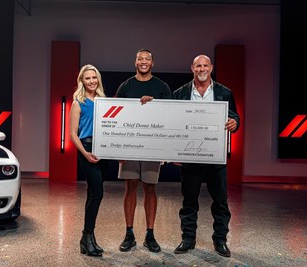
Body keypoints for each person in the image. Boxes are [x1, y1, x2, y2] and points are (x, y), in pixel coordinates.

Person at [172, 55, 240, 257]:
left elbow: (235, 115)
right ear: (192, 68)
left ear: (211, 68)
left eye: (205, 66)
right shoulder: (180, 93)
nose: (202, 69)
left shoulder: (224, 92)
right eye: (198, 66)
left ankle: (220, 241)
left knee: (220, 202)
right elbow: (173, 121)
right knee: (189, 202)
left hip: (215, 156)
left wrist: (234, 123)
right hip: (190, 156)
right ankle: (188, 239)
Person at [116, 49, 172, 253]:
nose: (143, 62)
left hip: (152, 148)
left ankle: (150, 235)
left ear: (153, 63)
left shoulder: (161, 87)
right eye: (140, 59)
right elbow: (116, 114)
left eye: (147, 59)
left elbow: (170, 115)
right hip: (130, 147)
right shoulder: (126, 86)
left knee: (150, 188)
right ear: (135, 62)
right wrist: (118, 147)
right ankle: (129, 234)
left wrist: (154, 105)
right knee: (130, 187)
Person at [69, 64, 110, 257]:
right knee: (97, 194)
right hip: (87, 149)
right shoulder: (78, 102)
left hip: (103, 150)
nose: (92, 81)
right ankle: (86, 236)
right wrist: (85, 154)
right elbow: (72, 134)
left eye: (94, 77)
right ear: (82, 81)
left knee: (92, 193)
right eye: (88, 78)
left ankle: (88, 241)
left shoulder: (104, 101)